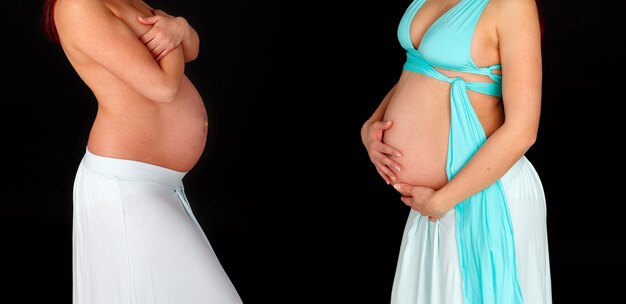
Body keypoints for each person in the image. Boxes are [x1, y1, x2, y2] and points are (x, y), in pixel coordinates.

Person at [42, 0, 243, 303]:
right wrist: (171, 33)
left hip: (157, 186)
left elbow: (192, 48)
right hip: (126, 189)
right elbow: (162, 87)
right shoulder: (76, 6)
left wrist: (180, 27)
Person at [360, 0, 551, 303]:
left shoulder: (513, 5)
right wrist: (372, 123)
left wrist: (442, 200)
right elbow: (421, 69)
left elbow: (523, 131)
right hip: (431, 205)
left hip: (479, 193)